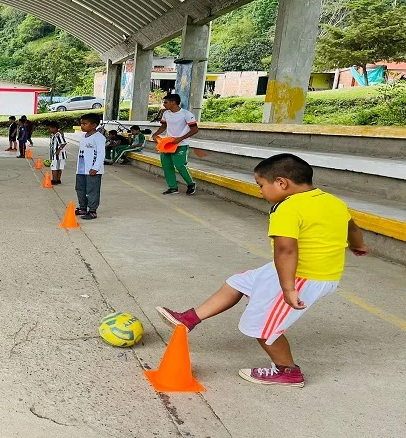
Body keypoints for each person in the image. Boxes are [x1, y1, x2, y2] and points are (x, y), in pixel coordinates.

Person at [157, 154, 369, 387]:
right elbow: (352, 226)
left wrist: (288, 289)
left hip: (302, 277)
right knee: (238, 282)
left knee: (264, 326)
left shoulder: (288, 208)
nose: (260, 192)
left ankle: (287, 371)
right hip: (300, 270)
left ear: (281, 183)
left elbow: (286, 250)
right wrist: (358, 245)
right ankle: (190, 319)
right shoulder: (333, 201)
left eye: (261, 185)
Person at [151, 94, 198, 195]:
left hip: (181, 144)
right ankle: (173, 187)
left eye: (165, 102)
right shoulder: (166, 114)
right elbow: (163, 126)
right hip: (168, 143)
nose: (164, 104)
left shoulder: (186, 114)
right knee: (167, 166)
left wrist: (180, 138)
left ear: (173, 102)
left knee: (180, 165)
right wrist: (155, 134)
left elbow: (195, 129)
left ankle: (191, 183)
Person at [75, 113, 107, 220]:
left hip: (92, 170)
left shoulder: (99, 138)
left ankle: (92, 210)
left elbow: (101, 154)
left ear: (94, 125)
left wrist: (95, 168)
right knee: (80, 188)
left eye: (85, 124)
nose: (82, 126)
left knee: (92, 190)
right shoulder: (83, 136)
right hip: (81, 169)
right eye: (81, 123)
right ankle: (83, 207)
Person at [47, 121, 67, 185]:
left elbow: (63, 143)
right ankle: (58, 179)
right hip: (57, 155)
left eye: (49, 128)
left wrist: (58, 150)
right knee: (58, 167)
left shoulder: (58, 135)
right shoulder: (54, 135)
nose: (49, 130)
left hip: (58, 155)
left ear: (54, 128)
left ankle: (54, 180)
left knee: (54, 167)